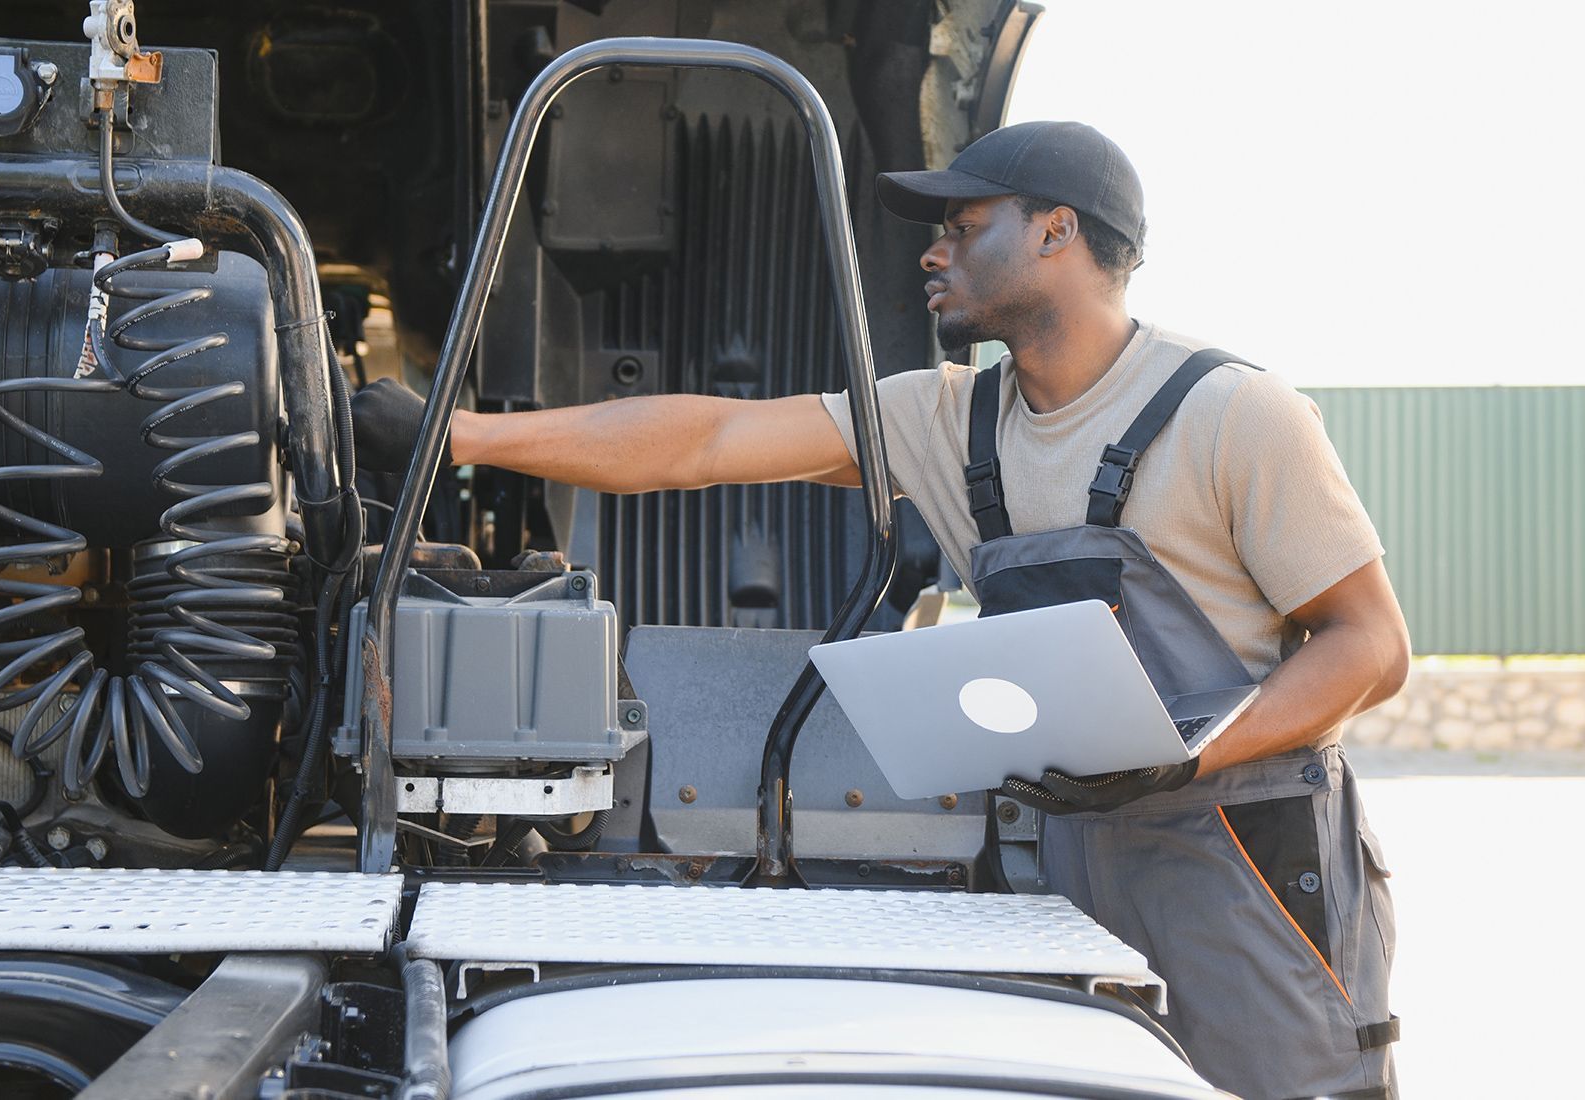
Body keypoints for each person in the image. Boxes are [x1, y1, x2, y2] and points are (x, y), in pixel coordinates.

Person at [351, 120, 1403, 1100]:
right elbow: (706, 441)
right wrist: (463, 435)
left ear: (1056, 231)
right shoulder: (950, 418)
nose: (931, 252)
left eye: (961, 225)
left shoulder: (1232, 414)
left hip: (1241, 855)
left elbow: (1370, 643)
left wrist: (1186, 758)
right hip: (1076, 851)